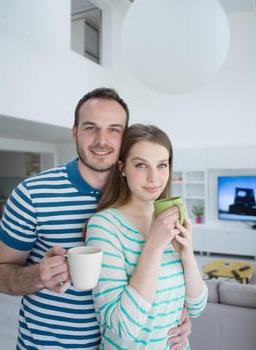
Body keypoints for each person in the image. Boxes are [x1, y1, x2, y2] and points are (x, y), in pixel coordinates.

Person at [0, 88, 192, 349]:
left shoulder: (144, 199)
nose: (101, 140)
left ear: (124, 137)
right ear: (75, 132)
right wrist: (38, 276)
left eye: (114, 129)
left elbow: (159, 273)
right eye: (90, 128)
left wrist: (173, 314)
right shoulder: (32, 194)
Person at [85, 124, 208, 349]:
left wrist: (187, 254)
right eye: (141, 165)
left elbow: (197, 307)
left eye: (162, 165)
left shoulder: (168, 218)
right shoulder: (104, 226)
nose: (154, 177)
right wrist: (154, 246)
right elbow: (122, 328)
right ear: (122, 168)